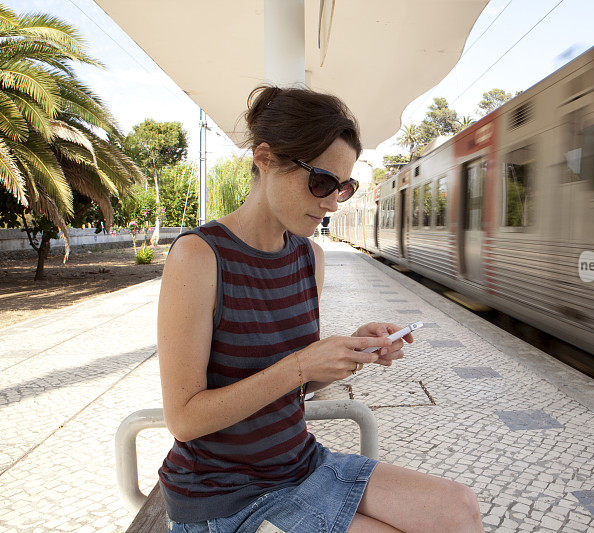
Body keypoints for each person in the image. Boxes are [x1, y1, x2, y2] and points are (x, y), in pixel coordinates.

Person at [157, 85, 484, 533]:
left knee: (459, 508)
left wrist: (347, 356)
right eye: (322, 181)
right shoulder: (199, 257)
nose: (332, 201)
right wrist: (300, 365)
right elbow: (184, 418)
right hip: (224, 497)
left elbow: (292, 388)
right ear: (265, 158)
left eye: (345, 187)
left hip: (300, 465)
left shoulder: (310, 258)